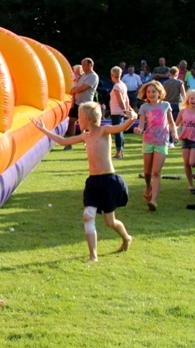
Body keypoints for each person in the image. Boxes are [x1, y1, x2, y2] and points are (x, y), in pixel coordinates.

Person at [31, 102, 136, 262]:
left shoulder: (103, 131)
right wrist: (44, 130)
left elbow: (120, 128)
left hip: (108, 180)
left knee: (110, 222)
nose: (77, 120)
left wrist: (132, 118)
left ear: (87, 118)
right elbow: (63, 141)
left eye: (79, 117)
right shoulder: (85, 136)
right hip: (93, 182)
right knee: (88, 215)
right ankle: (93, 256)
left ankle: (126, 238)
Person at [134, 80, 177, 211]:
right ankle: (148, 186)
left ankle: (153, 200)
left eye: (153, 91)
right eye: (148, 92)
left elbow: (171, 122)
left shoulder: (166, 105)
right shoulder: (144, 107)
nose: (151, 94)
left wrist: (174, 134)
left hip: (162, 142)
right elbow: (141, 125)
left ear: (159, 93)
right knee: (147, 172)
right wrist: (138, 130)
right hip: (148, 141)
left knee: (156, 172)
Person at [64, 58, 99, 151]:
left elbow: (83, 88)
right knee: (72, 121)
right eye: (82, 65)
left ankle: (89, 144)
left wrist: (73, 90)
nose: (82, 67)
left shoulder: (93, 76)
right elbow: (78, 86)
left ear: (90, 65)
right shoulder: (83, 76)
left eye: (84, 65)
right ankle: (69, 143)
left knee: (88, 125)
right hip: (77, 103)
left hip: (86, 104)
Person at [109, 66, 130, 159]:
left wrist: (124, 109)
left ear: (112, 75)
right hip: (120, 111)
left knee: (117, 132)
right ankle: (121, 151)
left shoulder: (116, 86)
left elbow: (120, 100)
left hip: (116, 111)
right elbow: (126, 99)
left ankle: (118, 152)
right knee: (120, 132)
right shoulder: (123, 85)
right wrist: (126, 109)